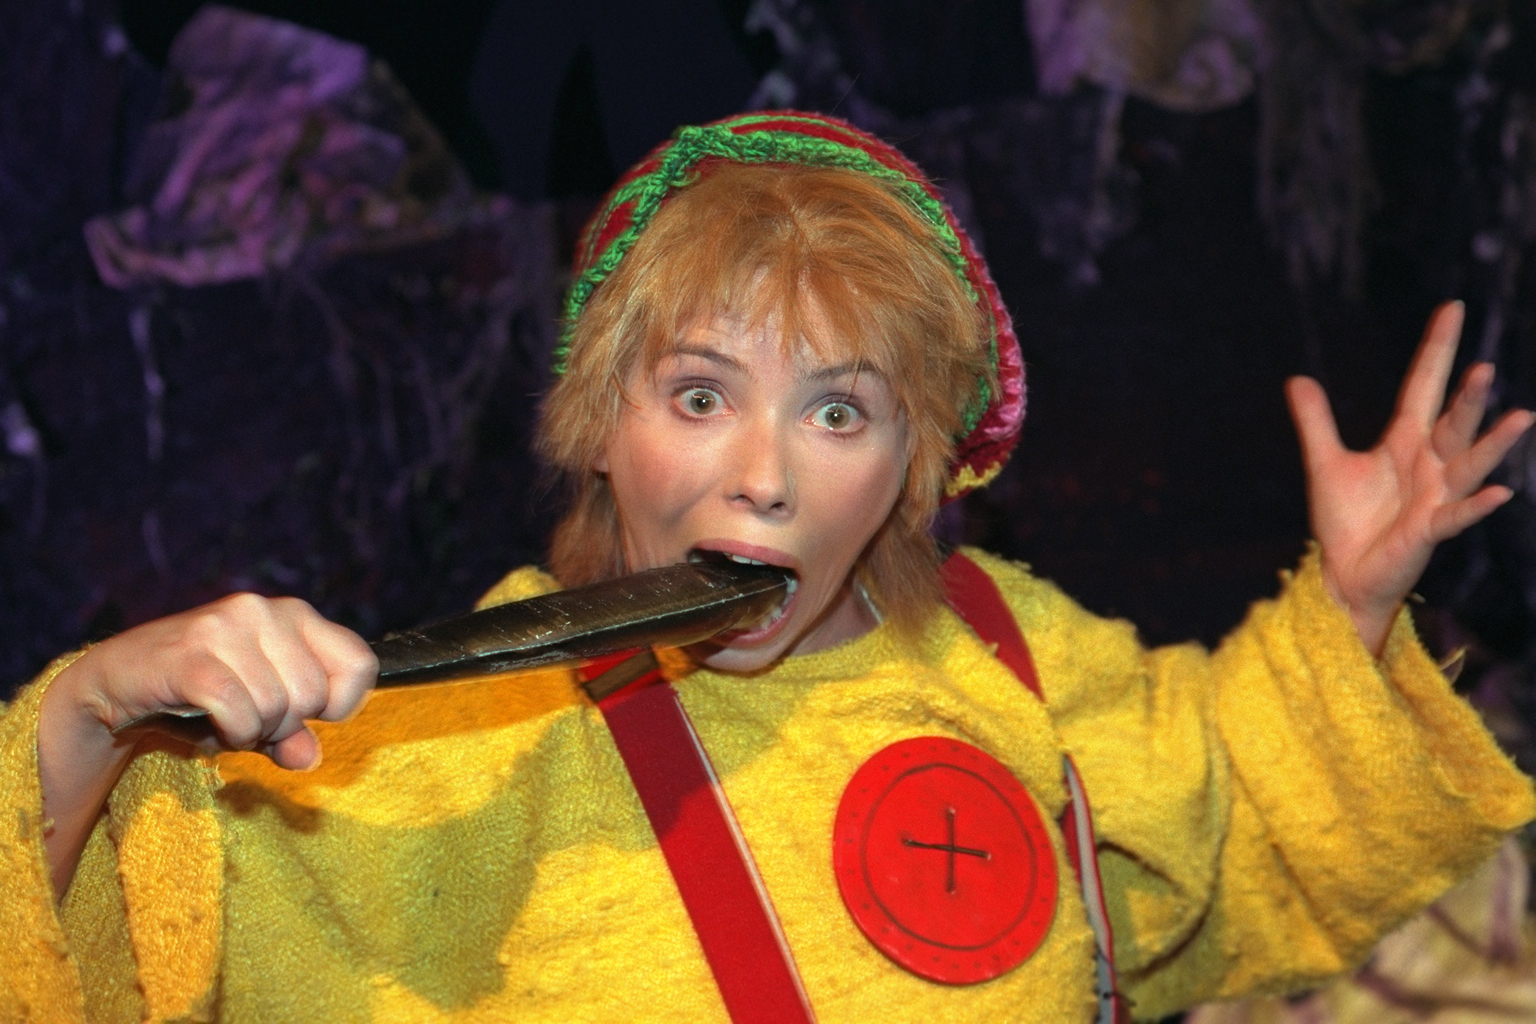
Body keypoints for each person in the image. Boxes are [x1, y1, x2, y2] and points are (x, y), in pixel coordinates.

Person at [4, 111, 1533, 1023]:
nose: (767, 473)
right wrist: (90, 713)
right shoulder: (434, 738)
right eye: (699, 395)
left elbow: (1239, 802)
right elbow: (96, 952)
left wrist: (1349, 601)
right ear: (601, 427)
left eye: (839, 411)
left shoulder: (1007, 646)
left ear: (914, 468)